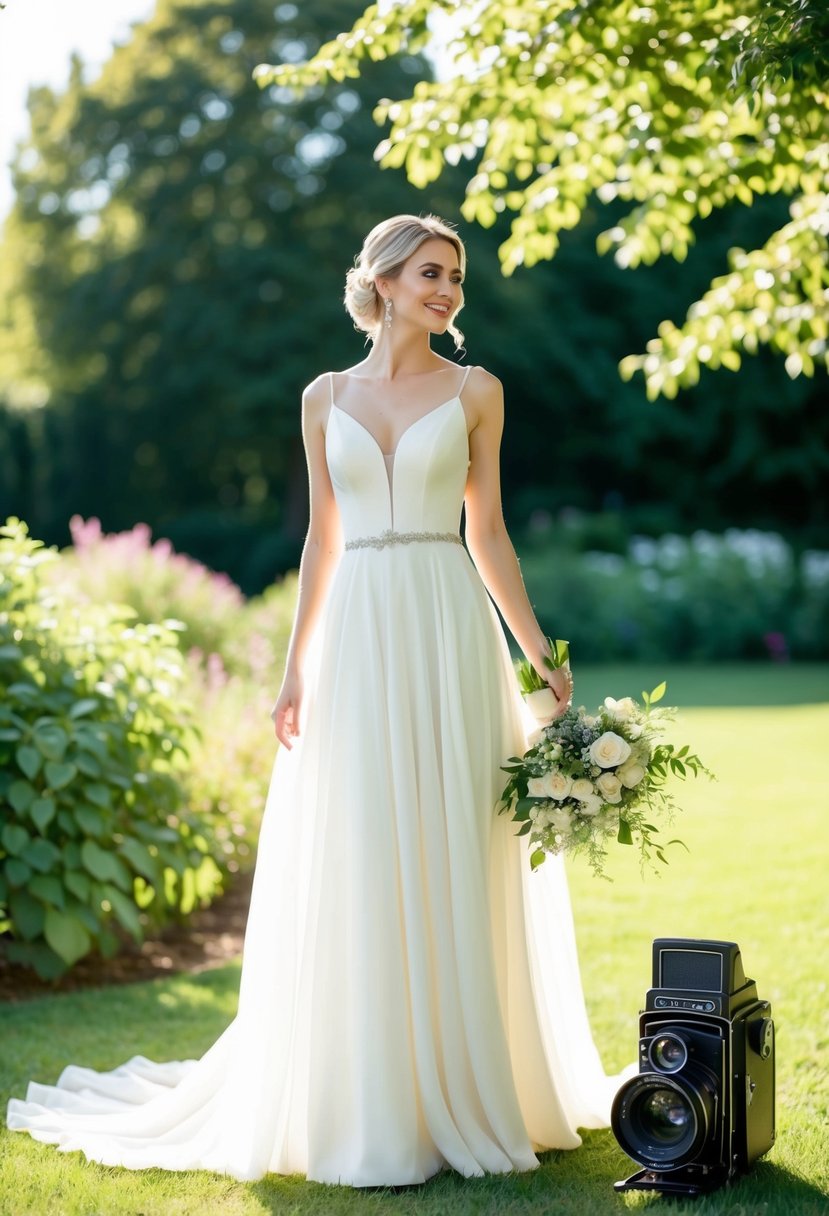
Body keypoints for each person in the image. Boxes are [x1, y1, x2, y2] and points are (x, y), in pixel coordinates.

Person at [7, 214, 625, 1187]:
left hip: (444, 623)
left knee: (454, 840)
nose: (448, 290)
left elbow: (490, 533)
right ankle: (370, 1095)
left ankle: (462, 1082)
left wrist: (537, 652)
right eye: (431, 272)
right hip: (357, 640)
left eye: (455, 276)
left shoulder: (476, 392)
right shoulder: (320, 397)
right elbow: (320, 542)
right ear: (381, 279)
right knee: (363, 843)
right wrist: (296, 667)